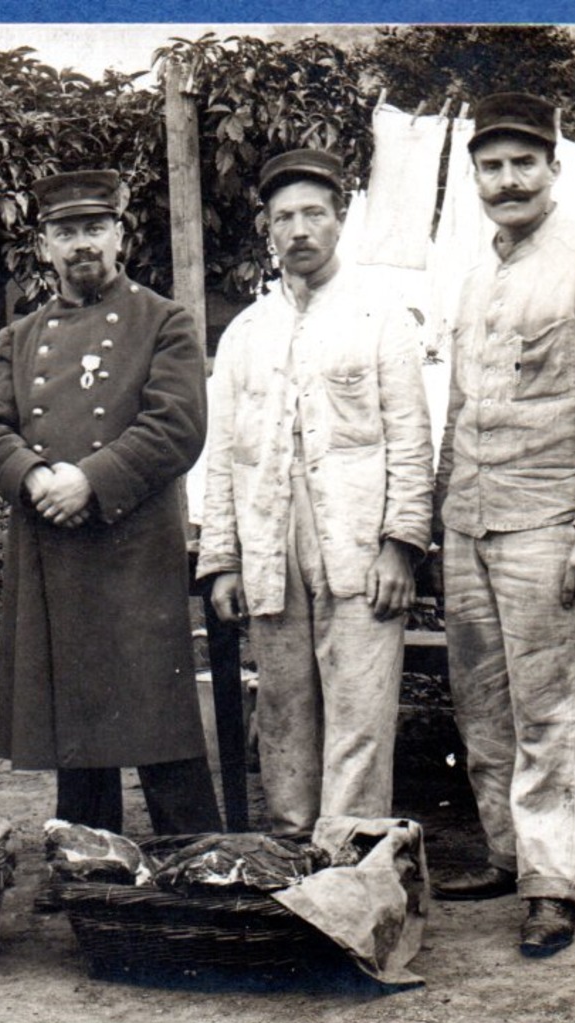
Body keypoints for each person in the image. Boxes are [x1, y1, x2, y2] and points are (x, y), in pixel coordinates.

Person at [431, 93, 575, 956]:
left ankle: (551, 885)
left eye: (521, 163)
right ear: (475, 179)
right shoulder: (475, 275)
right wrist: (438, 515)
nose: (506, 180)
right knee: (481, 706)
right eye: (489, 167)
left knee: (550, 710)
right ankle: (506, 855)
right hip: (470, 526)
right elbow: (458, 411)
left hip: (549, 521)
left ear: (552, 168)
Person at [0, 169, 222, 836]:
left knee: (156, 714)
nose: (80, 244)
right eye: (64, 232)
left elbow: (176, 426)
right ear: (45, 246)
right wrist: (32, 477)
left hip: (134, 551)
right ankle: (86, 862)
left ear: (119, 235)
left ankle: (196, 858)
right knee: (75, 722)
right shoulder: (19, 339)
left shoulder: (164, 322)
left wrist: (89, 480)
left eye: (92, 229)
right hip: (53, 548)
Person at [198, 149, 433, 837]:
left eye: (312, 214)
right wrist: (224, 561)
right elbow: (224, 458)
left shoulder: (382, 317)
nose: (298, 230)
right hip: (270, 542)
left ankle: (349, 860)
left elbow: (412, 442)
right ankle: (293, 845)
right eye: (282, 218)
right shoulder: (245, 332)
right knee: (282, 705)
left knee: (359, 707)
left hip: (357, 544)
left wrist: (399, 547)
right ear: (266, 231)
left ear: (339, 219)